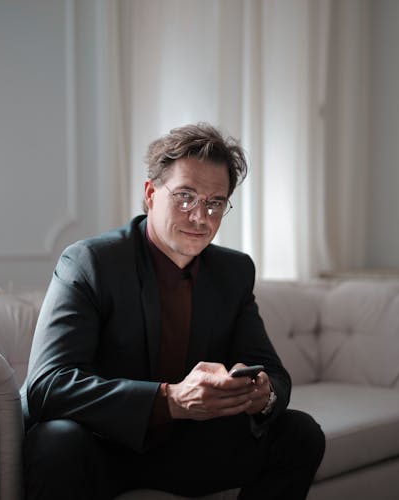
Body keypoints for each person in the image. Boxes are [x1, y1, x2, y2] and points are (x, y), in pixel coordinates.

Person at [23, 123, 325, 500]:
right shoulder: (90, 262)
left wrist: (260, 395)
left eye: (215, 203)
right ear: (150, 194)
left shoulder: (233, 271)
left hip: (185, 448)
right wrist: (171, 400)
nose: (200, 217)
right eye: (185, 196)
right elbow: (47, 387)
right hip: (103, 446)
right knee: (55, 442)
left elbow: (274, 374)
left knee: (300, 435)